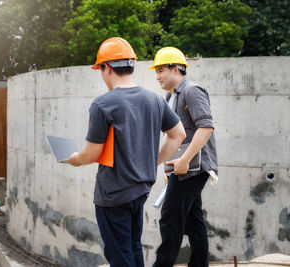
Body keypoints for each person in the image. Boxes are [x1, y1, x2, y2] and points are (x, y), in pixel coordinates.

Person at [68, 37, 186, 267]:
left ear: (107, 68)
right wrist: (151, 161)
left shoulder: (103, 104)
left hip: (113, 194)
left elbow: (91, 154)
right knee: (132, 247)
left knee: (120, 256)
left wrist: (74, 159)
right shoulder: (154, 99)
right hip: (140, 191)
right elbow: (178, 134)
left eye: (100, 69)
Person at [149, 47, 218, 267]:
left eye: (161, 70)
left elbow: (205, 127)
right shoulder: (170, 97)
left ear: (176, 68)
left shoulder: (192, 91)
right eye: (156, 71)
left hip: (194, 168)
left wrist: (185, 160)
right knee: (193, 222)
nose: (157, 75)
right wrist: (169, 169)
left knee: (170, 219)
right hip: (181, 168)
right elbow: (174, 138)